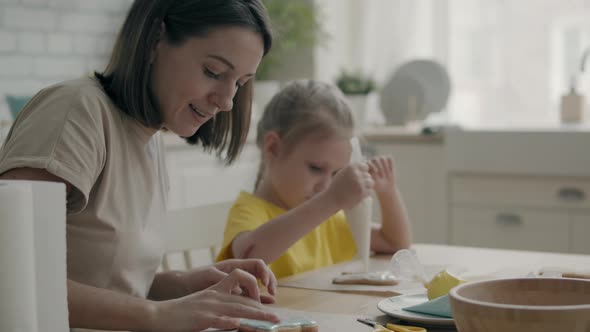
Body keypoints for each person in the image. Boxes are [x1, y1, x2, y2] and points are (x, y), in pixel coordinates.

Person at [0, 1, 281, 331]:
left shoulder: (150, 136)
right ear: (154, 41)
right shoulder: (76, 112)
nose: (227, 100)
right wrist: (159, 315)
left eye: (240, 82)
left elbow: (108, 287)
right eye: (213, 72)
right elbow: (14, 279)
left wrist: (186, 285)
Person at [216, 80, 412, 279]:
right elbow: (249, 258)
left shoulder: (328, 217)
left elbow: (394, 243)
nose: (326, 186)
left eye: (336, 174)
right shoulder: (249, 210)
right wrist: (332, 200)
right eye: (316, 168)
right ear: (274, 148)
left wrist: (388, 193)